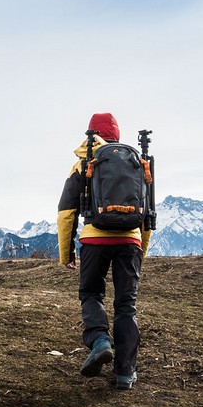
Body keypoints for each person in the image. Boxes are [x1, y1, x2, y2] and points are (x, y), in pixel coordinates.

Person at [57, 112, 151, 390]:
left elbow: (66, 212)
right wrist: (140, 249)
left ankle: (99, 341)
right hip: (130, 241)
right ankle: (124, 374)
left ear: (91, 133)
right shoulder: (138, 162)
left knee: (91, 294)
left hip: (94, 240)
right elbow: (148, 212)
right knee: (126, 305)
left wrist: (67, 254)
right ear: (117, 136)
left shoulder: (84, 163)